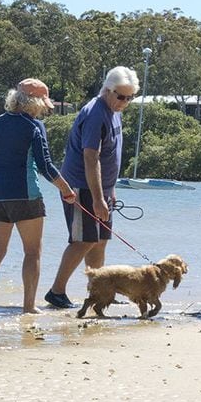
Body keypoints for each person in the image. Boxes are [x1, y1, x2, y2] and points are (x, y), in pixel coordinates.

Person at [0, 79, 76, 315]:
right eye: (43, 103)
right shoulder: (34, 127)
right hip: (26, 196)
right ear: (34, 102)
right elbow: (46, 166)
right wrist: (67, 190)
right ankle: (29, 306)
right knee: (32, 252)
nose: (44, 108)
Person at [44, 65, 140, 309]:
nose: (125, 102)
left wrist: (110, 190)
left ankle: (100, 292)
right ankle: (56, 292)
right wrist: (98, 198)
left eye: (130, 98)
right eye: (121, 96)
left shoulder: (113, 111)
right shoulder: (96, 113)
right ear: (108, 90)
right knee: (83, 240)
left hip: (101, 189)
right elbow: (91, 158)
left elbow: (111, 156)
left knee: (100, 240)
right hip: (80, 187)